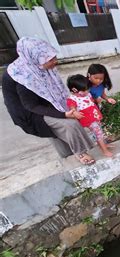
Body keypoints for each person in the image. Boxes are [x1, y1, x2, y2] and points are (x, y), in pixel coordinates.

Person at [2, 37, 96, 165]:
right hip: (30, 113)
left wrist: (69, 106)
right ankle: (80, 152)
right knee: (69, 125)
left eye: (54, 57)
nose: (55, 62)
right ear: (36, 59)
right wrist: (63, 114)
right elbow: (31, 106)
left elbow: (56, 91)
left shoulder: (37, 65)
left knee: (62, 126)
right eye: (50, 60)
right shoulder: (22, 76)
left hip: (46, 103)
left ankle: (67, 156)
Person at [67, 75, 113, 157]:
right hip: (88, 120)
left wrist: (96, 100)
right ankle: (105, 151)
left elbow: (91, 101)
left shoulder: (86, 94)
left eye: (88, 89)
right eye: (85, 90)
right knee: (98, 133)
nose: (87, 91)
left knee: (99, 132)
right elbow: (72, 108)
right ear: (74, 90)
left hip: (94, 116)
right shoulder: (72, 99)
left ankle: (103, 145)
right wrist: (74, 112)